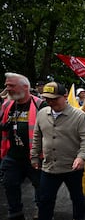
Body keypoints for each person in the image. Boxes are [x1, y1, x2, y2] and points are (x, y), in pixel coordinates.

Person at [31, 82, 85, 220]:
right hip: (49, 167)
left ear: (65, 96)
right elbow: (37, 137)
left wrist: (81, 157)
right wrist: (34, 156)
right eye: (47, 99)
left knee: (77, 199)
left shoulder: (79, 116)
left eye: (54, 99)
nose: (51, 102)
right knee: (45, 200)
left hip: (72, 167)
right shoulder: (41, 114)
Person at [0, 73, 46, 220]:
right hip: (12, 155)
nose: (7, 89)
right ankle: (16, 213)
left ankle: (43, 212)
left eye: (11, 85)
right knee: (9, 184)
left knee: (40, 188)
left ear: (25, 87)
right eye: (6, 85)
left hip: (36, 157)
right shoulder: (7, 105)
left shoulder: (41, 105)